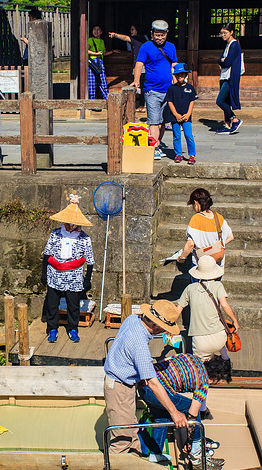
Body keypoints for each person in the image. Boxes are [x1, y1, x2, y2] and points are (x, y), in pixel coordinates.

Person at [103, 300, 186, 455]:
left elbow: (124, 350)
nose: (164, 332)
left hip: (121, 382)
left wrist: (137, 373)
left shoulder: (132, 319)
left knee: (131, 432)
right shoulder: (140, 344)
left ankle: (134, 466)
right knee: (121, 440)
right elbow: (153, 384)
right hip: (119, 388)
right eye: (164, 328)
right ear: (155, 325)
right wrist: (174, 412)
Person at [139, 354, 232, 470]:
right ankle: (196, 458)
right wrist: (189, 441)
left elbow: (166, 360)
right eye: (218, 381)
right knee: (191, 407)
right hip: (158, 391)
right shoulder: (203, 383)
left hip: (145, 384)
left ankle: (155, 455)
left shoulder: (191, 357)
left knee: (162, 418)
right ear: (216, 377)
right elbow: (192, 417)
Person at [42, 195, 95, 343]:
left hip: (74, 276)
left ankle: (73, 328)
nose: (69, 226)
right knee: (52, 304)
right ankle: (52, 328)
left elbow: (90, 260)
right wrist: (44, 273)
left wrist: (87, 279)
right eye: (67, 223)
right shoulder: (56, 234)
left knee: (73, 305)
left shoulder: (84, 238)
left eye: (72, 224)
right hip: (54, 274)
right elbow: (47, 253)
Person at [176, 256, 240, 360]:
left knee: (201, 367)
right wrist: (235, 320)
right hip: (219, 336)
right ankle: (225, 360)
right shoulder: (218, 285)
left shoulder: (190, 288)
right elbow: (224, 305)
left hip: (200, 339)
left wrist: (169, 326)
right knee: (222, 351)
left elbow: (178, 309)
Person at [130, 20, 177, 160]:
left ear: (167, 34)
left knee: (163, 121)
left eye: (162, 35)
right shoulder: (146, 47)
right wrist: (137, 81)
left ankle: (156, 142)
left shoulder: (171, 47)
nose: (160, 38)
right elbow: (139, 64)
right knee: (154, 121)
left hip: (168, 90)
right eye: (157, 34)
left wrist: (176, 84)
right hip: (152, 90)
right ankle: (154, 147)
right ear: (152, 33)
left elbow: (174, 65)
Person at [177, 188, 233, 269]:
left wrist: (182, 258)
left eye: (192, 204)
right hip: (217, 265)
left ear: (196, 203)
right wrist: (215, 247)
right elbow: (231, 237)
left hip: (201, 266)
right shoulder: (218, 217)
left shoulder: (196, 219)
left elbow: (190, 244)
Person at [163, 63, 197, 164]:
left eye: (182, 75)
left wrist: (188, 114)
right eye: (178, 75)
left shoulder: (190, 88)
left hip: (186, 116)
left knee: (188, 135)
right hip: (175, 117)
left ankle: (192, 154)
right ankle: (178, 154)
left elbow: (192, 101)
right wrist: (176, 114)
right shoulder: (172, 89)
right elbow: (170, 102)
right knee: (176, 135)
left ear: (185, 75)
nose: (180, 77)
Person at [109, 25, 147, 107]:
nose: (131, 31)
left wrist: (115, 35)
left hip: (140, 66)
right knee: (141, 86)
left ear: (137, 31)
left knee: (139, 85)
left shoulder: (137, 39)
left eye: (133, 29)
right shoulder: (143, 40)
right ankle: (141, 105)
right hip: (142, 66)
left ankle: (141, 106)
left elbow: (126, 38)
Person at [216, 23, 243, 134]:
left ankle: (234, 119)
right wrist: (221, 60)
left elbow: (226, 62)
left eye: (225, 33)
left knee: (220, 100)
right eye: (221, 33)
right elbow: (220, 59)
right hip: (224, 75)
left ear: (231, 32)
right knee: (226, 101)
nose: (223, 35)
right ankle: (227, 125)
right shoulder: (228, 45)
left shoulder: (234, 44)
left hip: (229, 77)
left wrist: (222, 60)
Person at [87, 25, 110, 100]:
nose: (96, 31)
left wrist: (112, 51)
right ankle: (92, 102)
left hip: (100, 62)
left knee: (103, 82)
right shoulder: (90, 40)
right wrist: (96, 54)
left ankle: (107, 99)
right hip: (92, 62)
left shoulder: (102, 41)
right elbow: (85, 50)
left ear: (101, 32)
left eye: (98, 29)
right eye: (94, 29)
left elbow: (103, 53)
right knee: (92, 83)